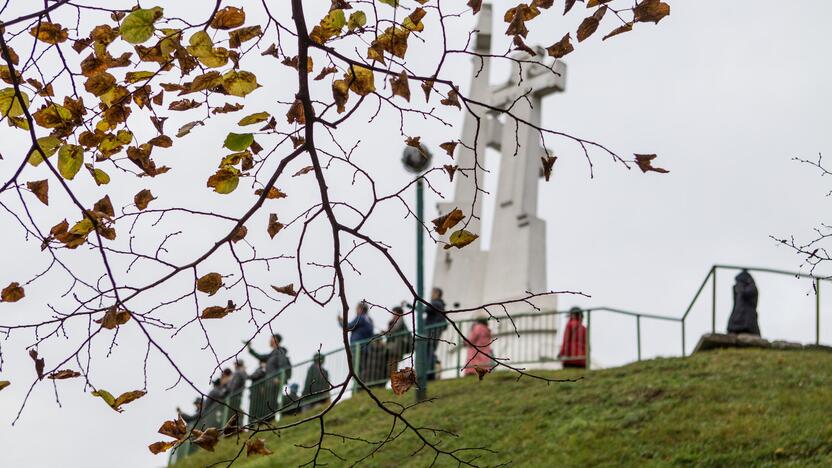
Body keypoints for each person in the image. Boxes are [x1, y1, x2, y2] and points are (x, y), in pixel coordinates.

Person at [247, 334, 292, 422]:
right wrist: (250, 348)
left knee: (272, 401)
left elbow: (282, 365)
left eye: (271, 339)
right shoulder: (271, 354)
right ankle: (267, 421)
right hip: (269, 381)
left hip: (274, 381)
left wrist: (278, 377)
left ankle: (270, 420)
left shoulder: (280, 351)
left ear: (275, 340)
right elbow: (260, 356)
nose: (269, 340)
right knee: (268, 401)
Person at [727, 269, 761, 336]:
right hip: (737, 315)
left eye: (738, 282)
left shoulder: (751, 288)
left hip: (747, 318)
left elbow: (746, 293)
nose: (737, 284)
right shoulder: (739, 290)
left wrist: (740, 289)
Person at [425, 288, 448, 379]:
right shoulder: (440, 304)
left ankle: (429, 372)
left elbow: (426, 309)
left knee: (428, 351)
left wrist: (411, 306)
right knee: (430, 351)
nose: (431, 295)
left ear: (437, 293)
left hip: (432, 331)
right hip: (435, 331)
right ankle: (430, 371)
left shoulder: (436, 303)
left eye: (433, 293)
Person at [225, 360, 247, 428]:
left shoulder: (238, 372)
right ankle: (237, 427)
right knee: (236, 411)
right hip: (237, 394)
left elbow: (235, 384)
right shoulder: (241, 372)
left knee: (235, 412)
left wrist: (231, 392)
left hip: (235, 395)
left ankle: (238, 427)